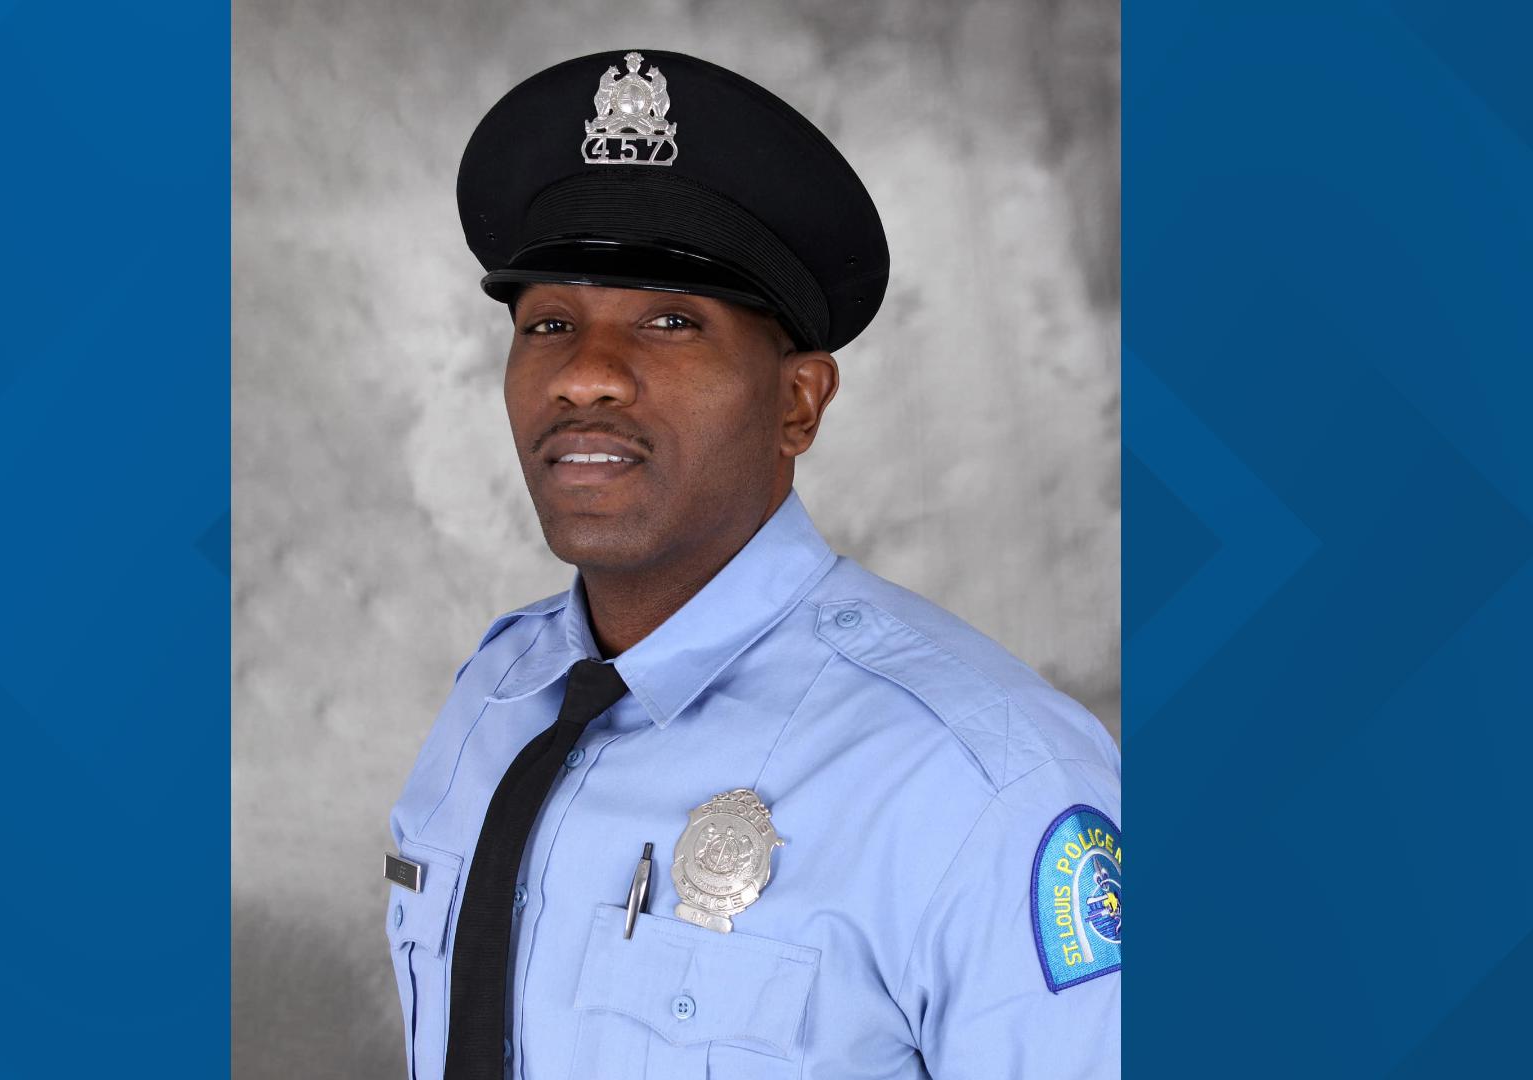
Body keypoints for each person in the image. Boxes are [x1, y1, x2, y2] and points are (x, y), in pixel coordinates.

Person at [386, 48, 1120, 1080]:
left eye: (669, 321)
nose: (586, 373)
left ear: (797, 403)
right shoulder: (496, 701)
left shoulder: (984, 784)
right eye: (549, 321)